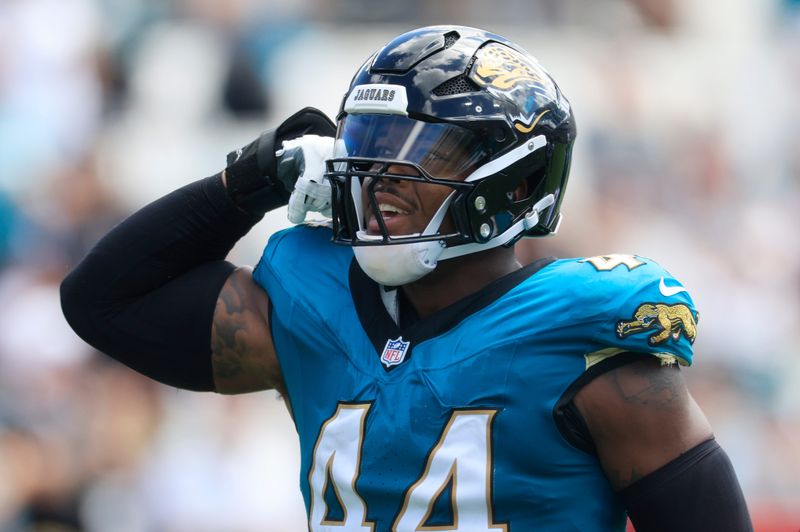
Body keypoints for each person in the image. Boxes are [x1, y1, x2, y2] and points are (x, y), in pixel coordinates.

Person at [60, 25, 753, 531]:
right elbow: (100, 300)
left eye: (424, 150)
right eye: (370, 146)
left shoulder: (585, 343)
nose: (380, 177)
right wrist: (246, 181)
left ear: (514, 180)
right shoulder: (310, 306)